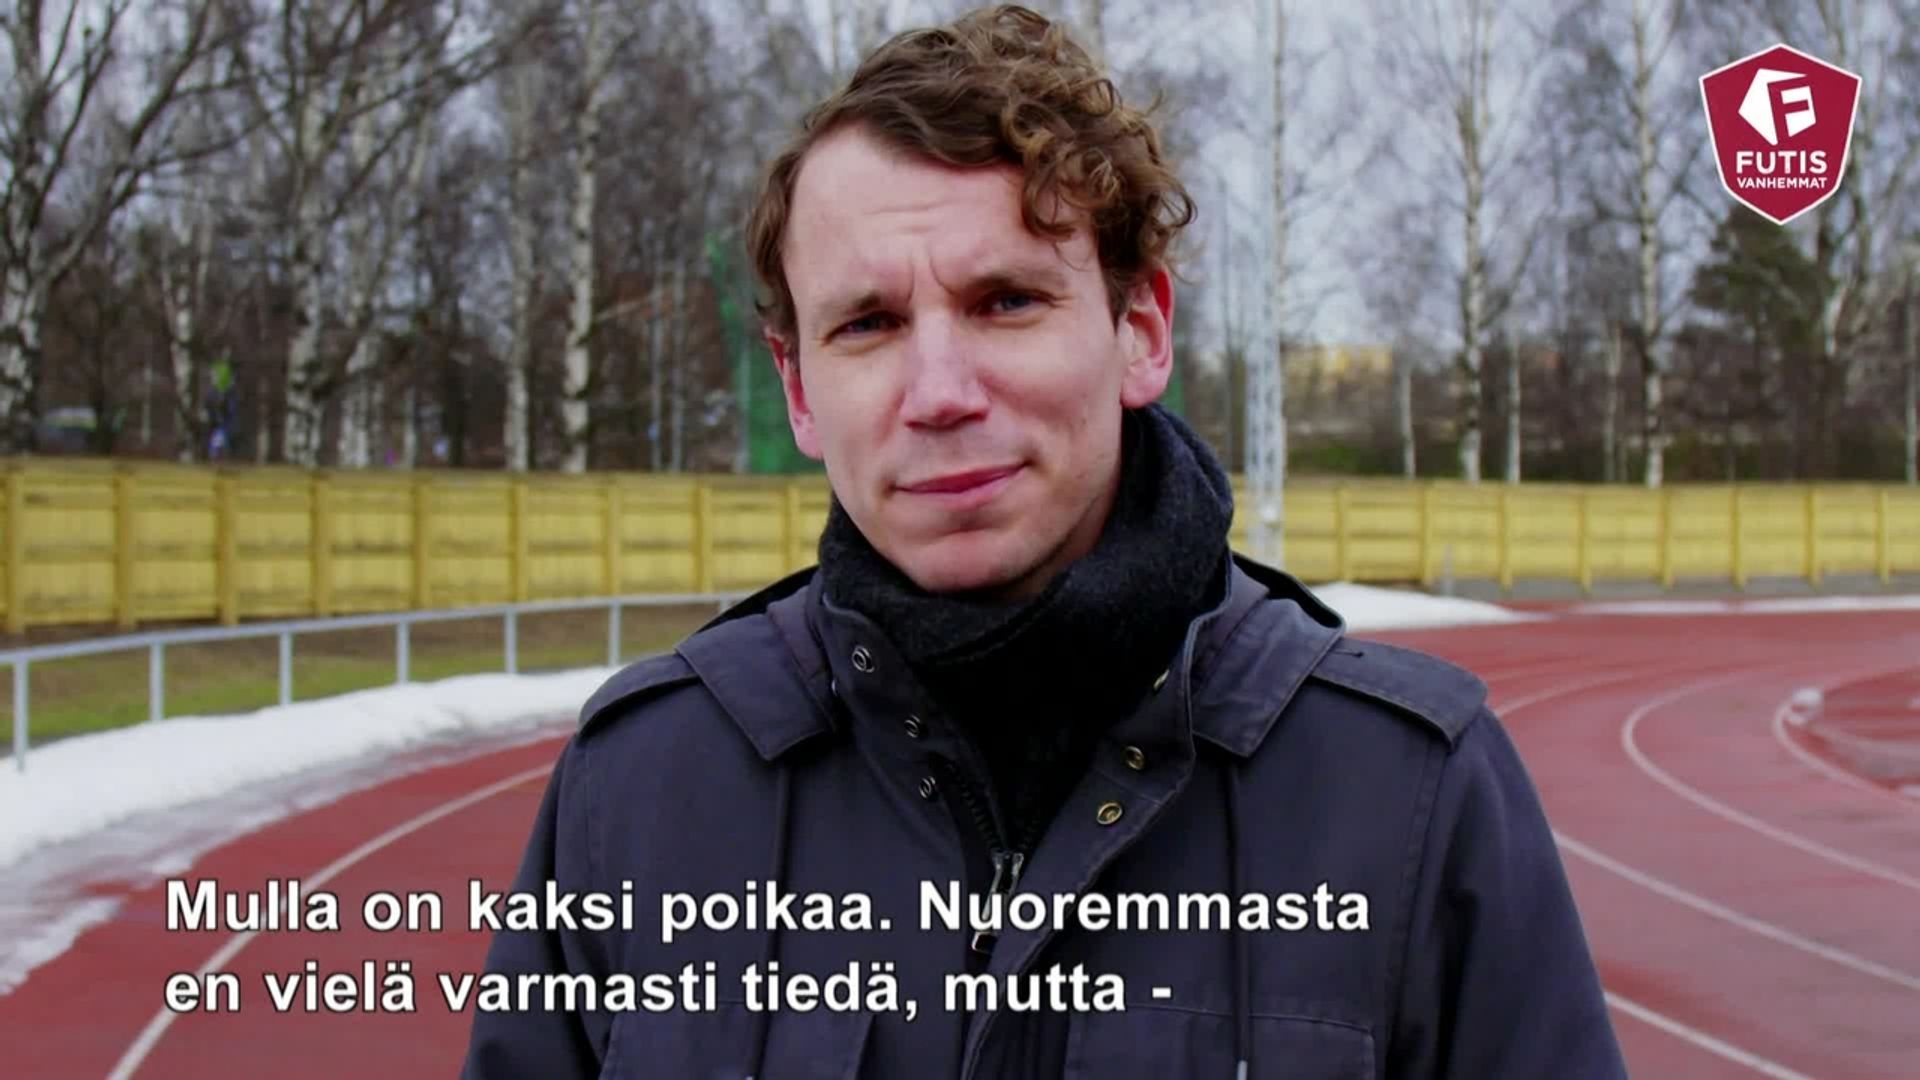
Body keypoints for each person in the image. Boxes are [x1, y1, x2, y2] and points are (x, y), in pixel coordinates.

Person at [460, 5, 1628, 1078]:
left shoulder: (1409, 791)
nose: (938, 391)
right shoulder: (644, 784)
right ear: (800, 388)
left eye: (1006, 302)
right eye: (867, 324)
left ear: (1142, 329)